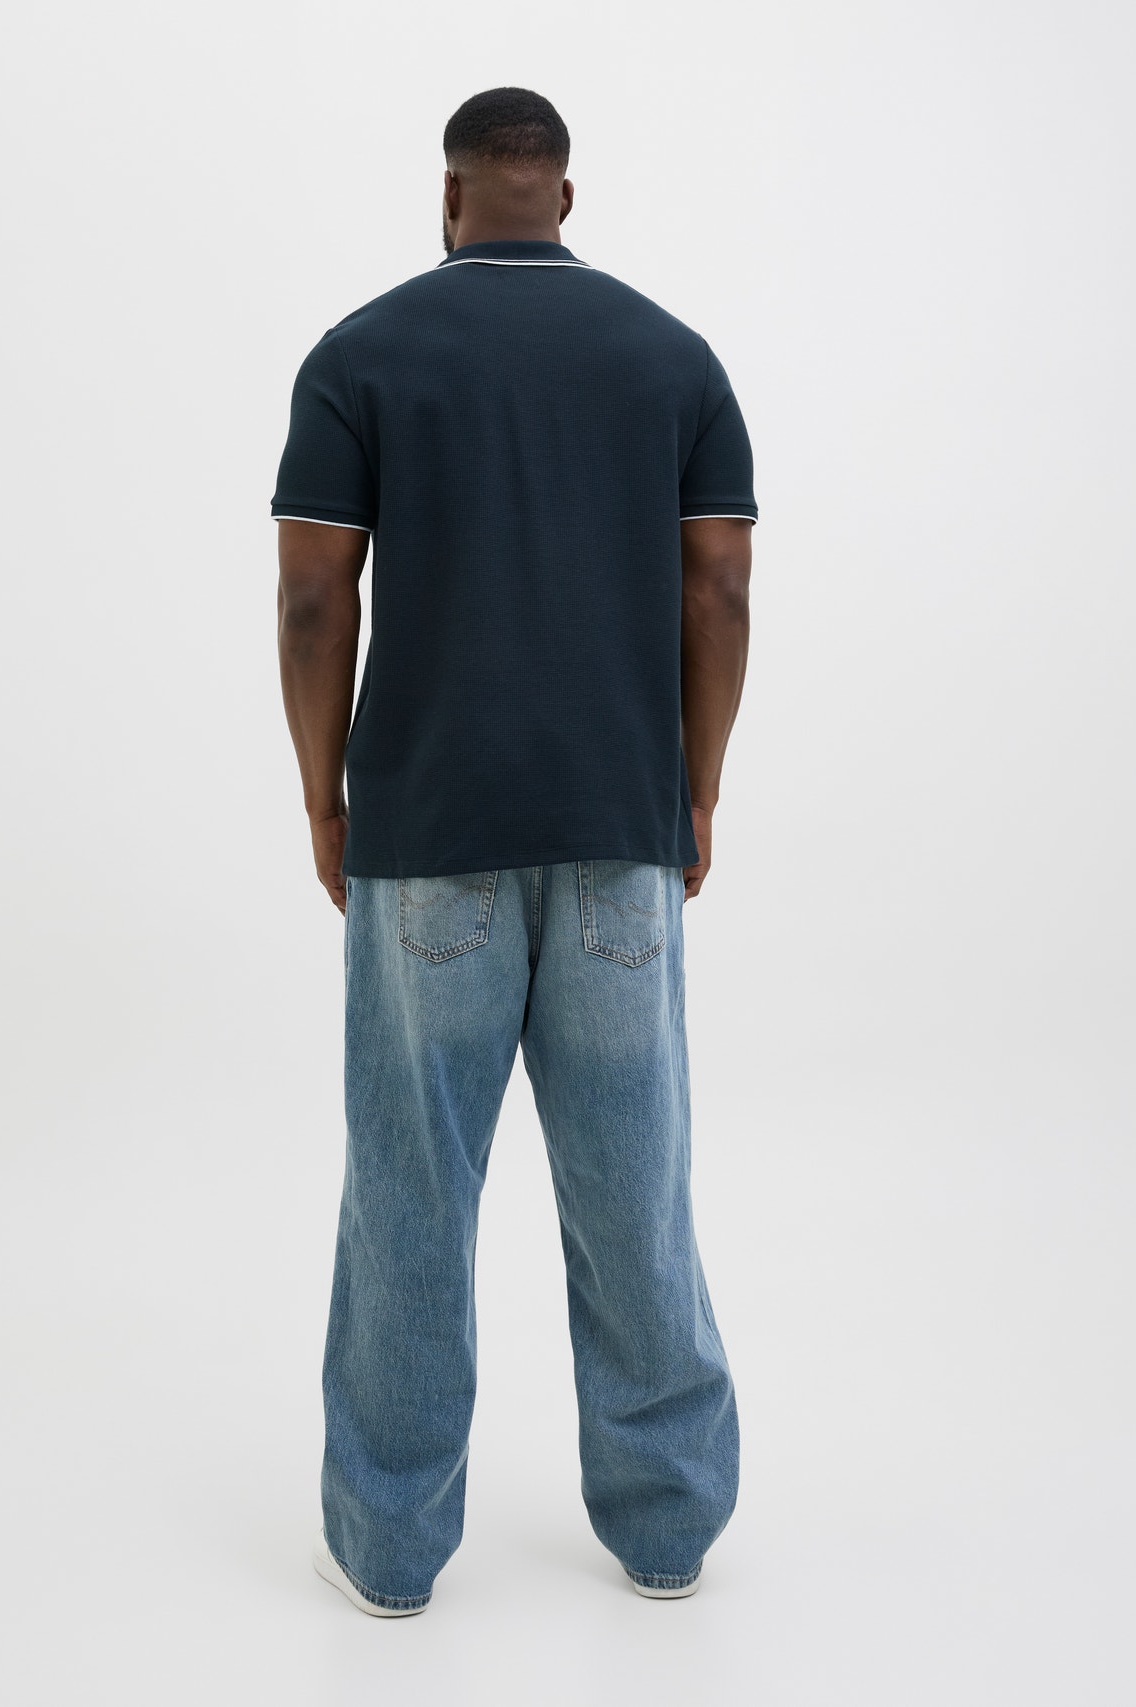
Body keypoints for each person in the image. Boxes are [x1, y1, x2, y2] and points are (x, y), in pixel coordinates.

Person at [272, 86, 756, 1617]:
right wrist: (696, 788)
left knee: (410, 1200)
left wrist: (322, 796)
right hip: (620, 833)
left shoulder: (360, 356)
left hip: (428, 836)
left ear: (449, 196)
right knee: (636, 1193)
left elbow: (313, 599)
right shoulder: (673, 358)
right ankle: (668, 1531)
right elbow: (719, 588)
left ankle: (390, 1554)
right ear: (565, 197)